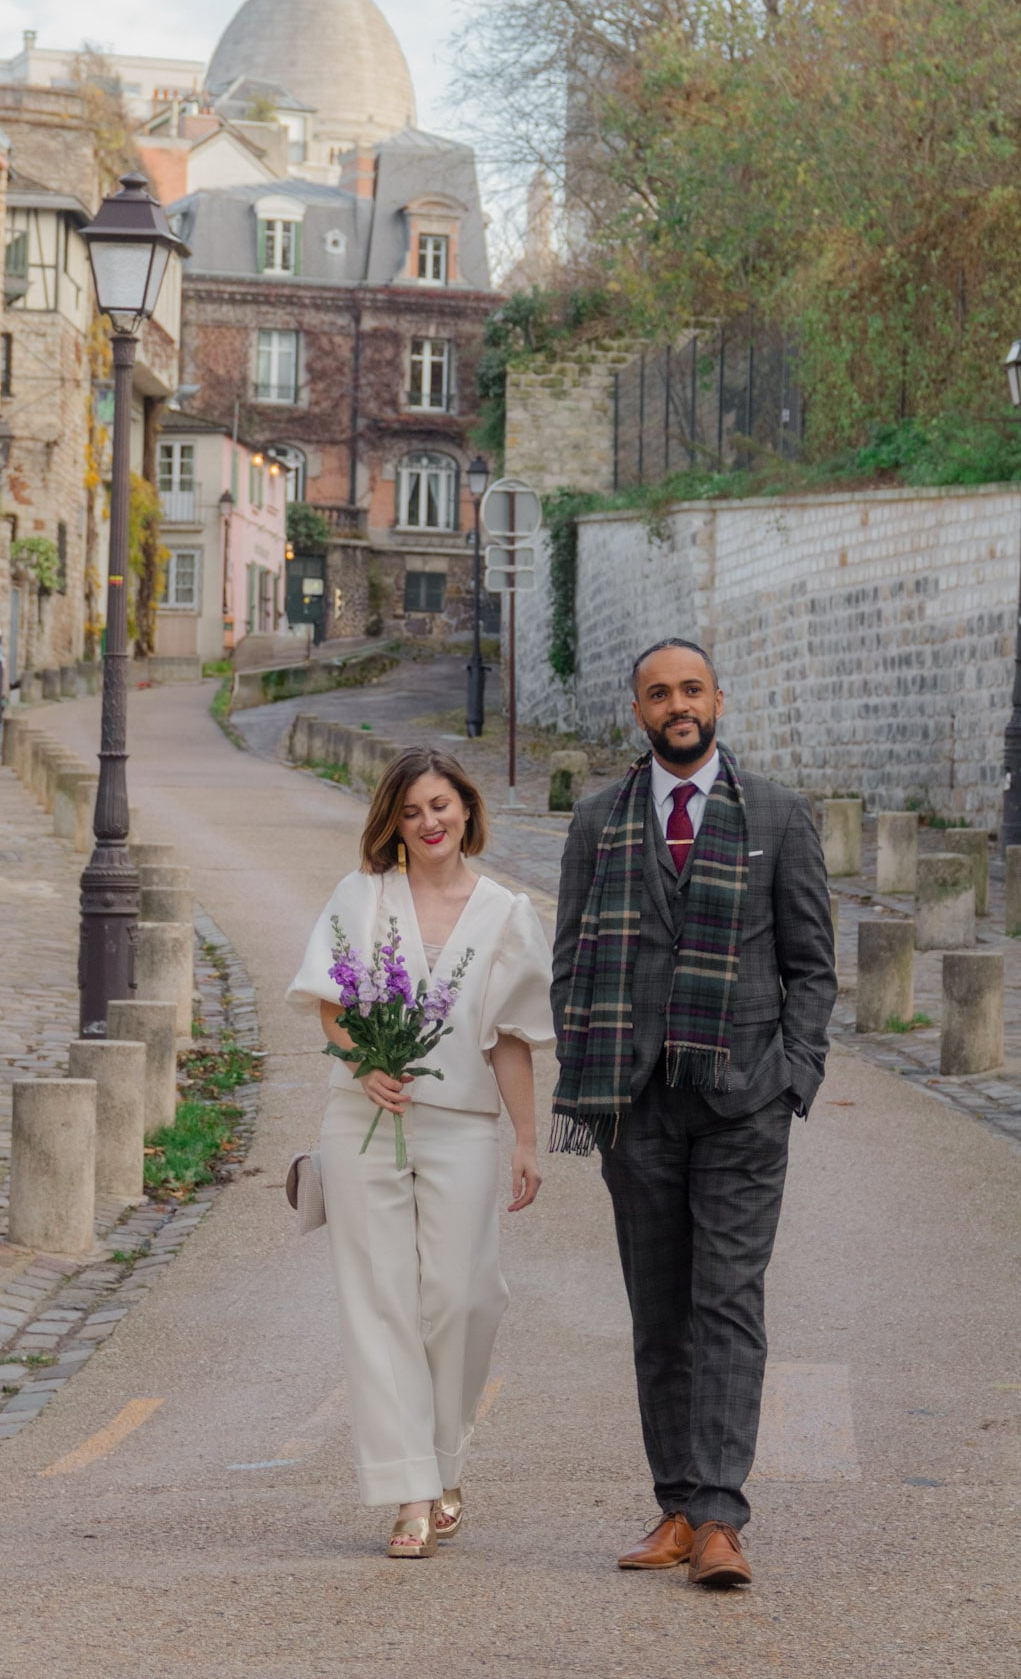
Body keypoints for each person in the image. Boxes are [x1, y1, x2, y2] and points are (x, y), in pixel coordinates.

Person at [549, 639, 836, 1590]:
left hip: (743, 1100)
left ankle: (719, 1515)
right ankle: (674, 1503)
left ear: (718, 700)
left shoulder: (779, 817)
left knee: (725, 1300)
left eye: (691, 689)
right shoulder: (598, 822)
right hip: (632, 1106)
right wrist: (593, 1064)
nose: (677, 705)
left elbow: (810, 964)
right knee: (657, 1310)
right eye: (658, 693)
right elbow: (569, 962)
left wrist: (793, 1073)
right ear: (638, 710)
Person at [286, 746, 552, 1560]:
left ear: (466, 809)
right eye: (410, 811)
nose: (428, 822)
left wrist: (526, 1139)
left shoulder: (507, 913)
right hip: (363, 1115)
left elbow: (509, 1038)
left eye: (440, 805)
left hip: (461, 1122)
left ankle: (443, 1461)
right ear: (391, 825)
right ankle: (409, 1491)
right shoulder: (361, 898)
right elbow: (330, 1002)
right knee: (380, 1300)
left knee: (465, 1296)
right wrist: (363, 1061)